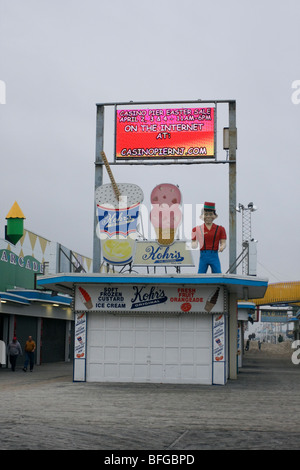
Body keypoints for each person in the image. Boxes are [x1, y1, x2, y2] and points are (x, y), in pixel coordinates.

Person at [191, 202, 227, 273]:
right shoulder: (197, 229)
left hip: (214, 255)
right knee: (201, 274)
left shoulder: (220, 229)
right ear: (202, 216)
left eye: (210, 214)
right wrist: (194, 244)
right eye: (206, 214)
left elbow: (223, 242)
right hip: (203, 255)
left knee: (217, 273)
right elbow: (194, 242)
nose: (208, 217)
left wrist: (222, 246)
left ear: (215, 216)